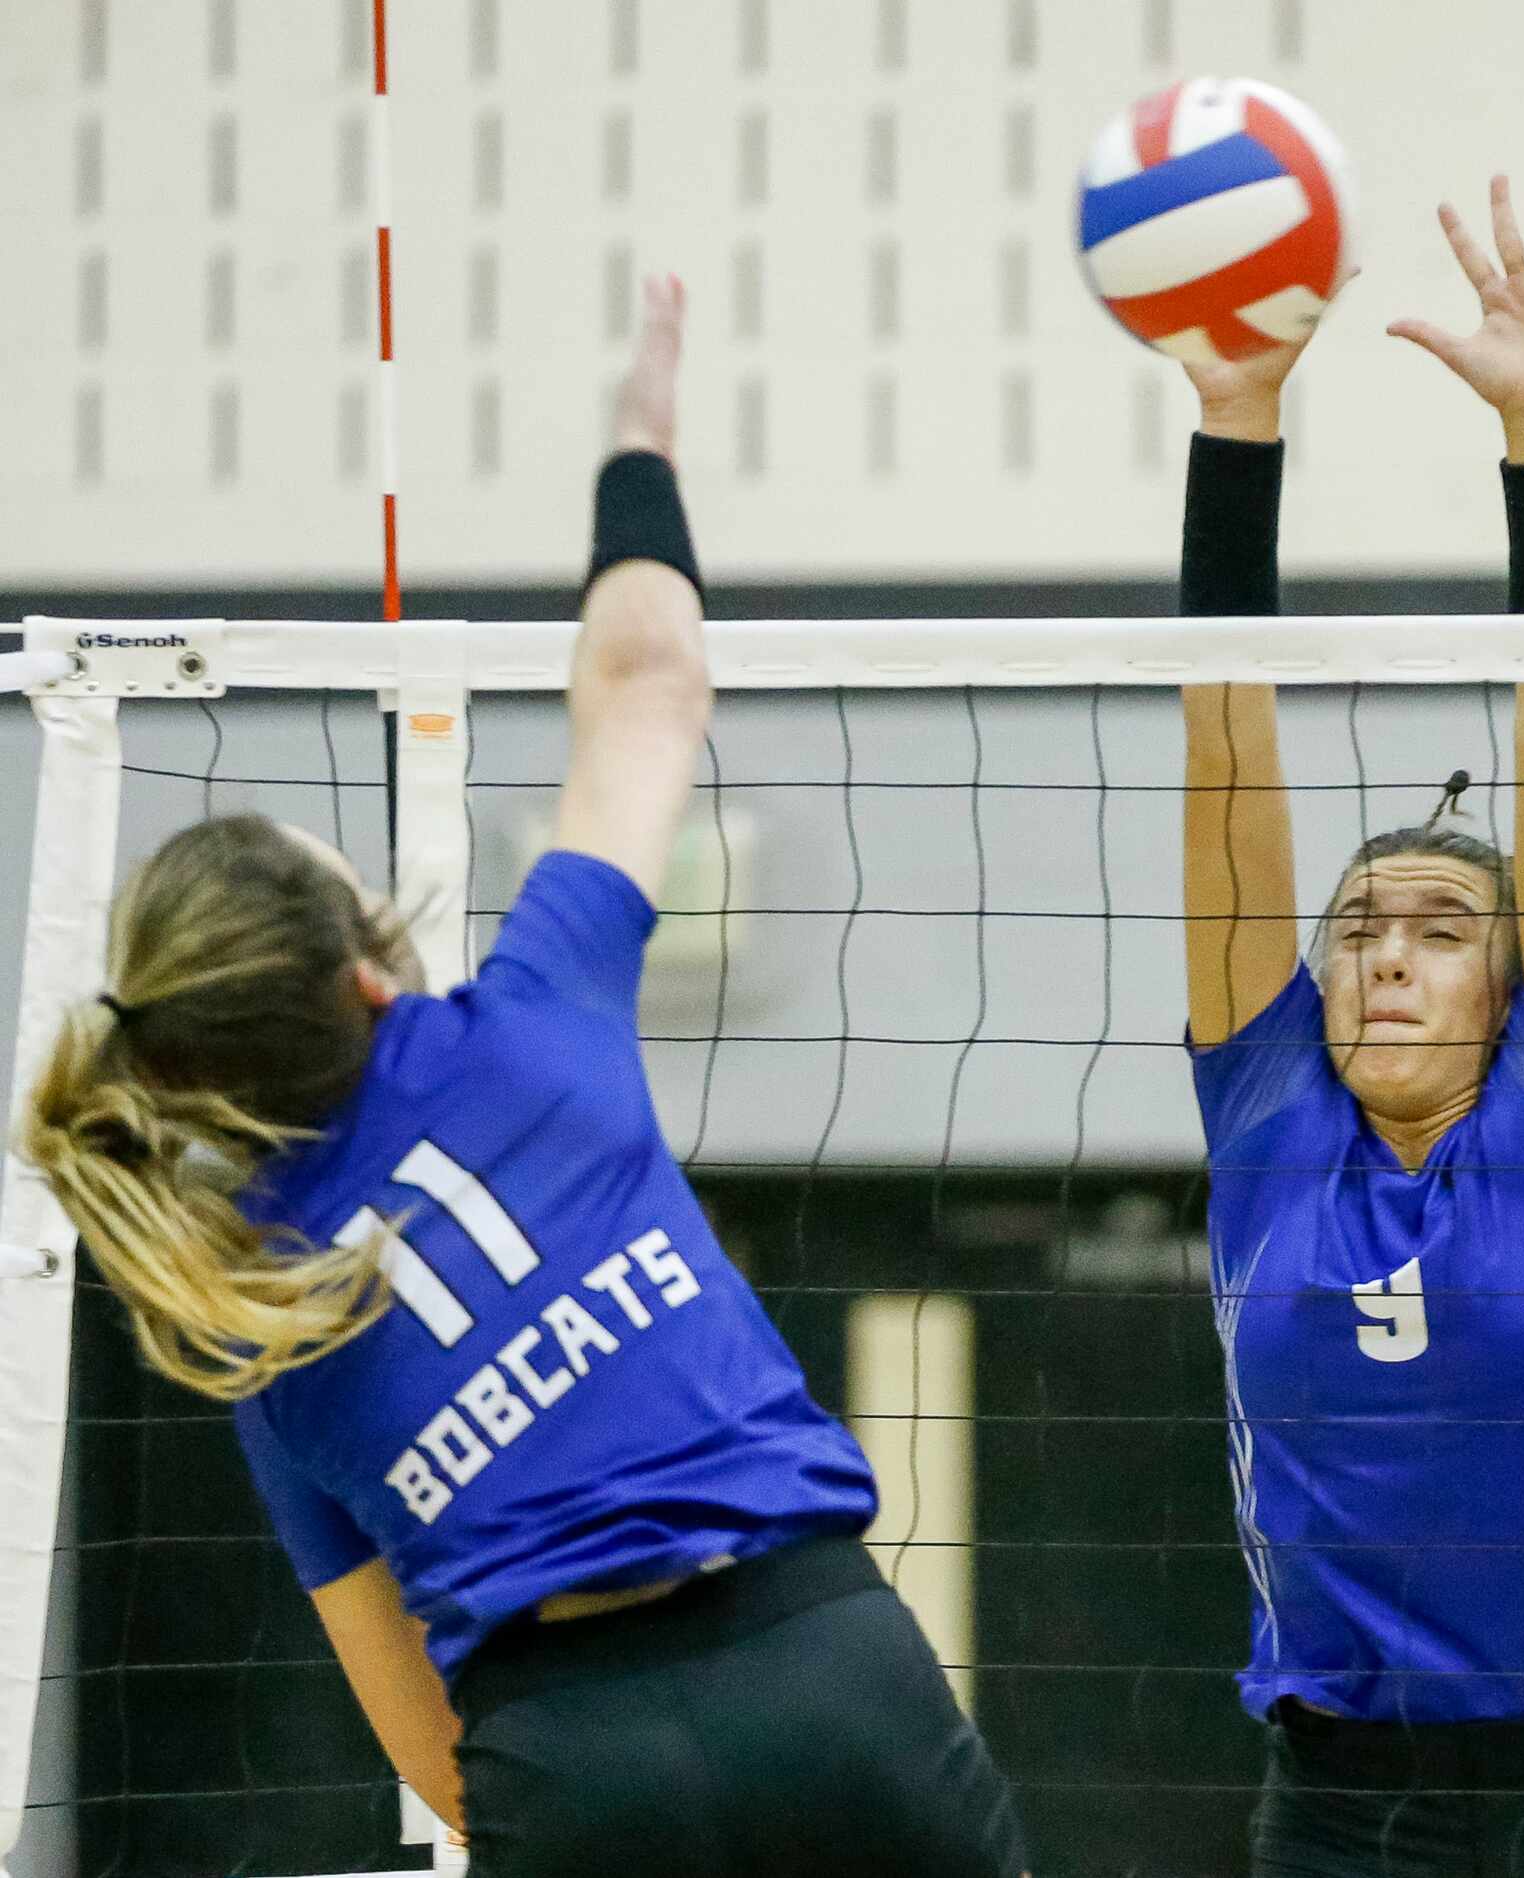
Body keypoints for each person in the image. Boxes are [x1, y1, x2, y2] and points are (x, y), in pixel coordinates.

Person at [20, 278, 1027, 1878]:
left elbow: (420, 1734)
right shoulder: (528, 1022)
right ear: (366, 966)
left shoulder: (250, 1309)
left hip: (565, 1758)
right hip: (822, 1678)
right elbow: (644, 681)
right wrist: (639, 447)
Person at [1175, 178, 1524, 1877]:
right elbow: (1227, 748)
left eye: (1442, 929)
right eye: (1358, 930)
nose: (1388, 957)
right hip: (1340, 1785)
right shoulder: (1270, 1116)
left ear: (1516, 982)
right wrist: (1239, 418)